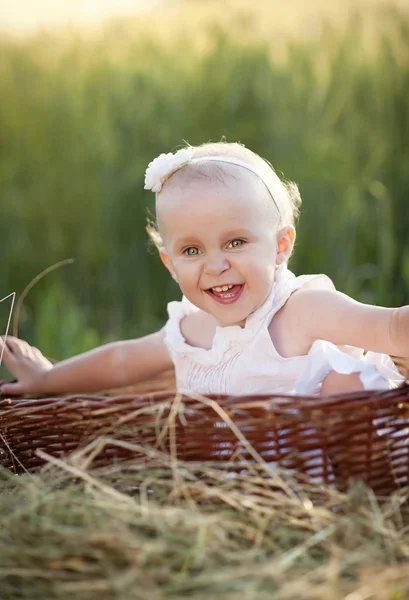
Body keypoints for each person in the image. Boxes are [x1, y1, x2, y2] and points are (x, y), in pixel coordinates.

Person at [0, 142, 407, 398]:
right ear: (171, 265)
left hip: (328, 468)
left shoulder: (303, 310)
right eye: (192, 250)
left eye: (236, 242)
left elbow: (391, 328)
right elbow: (122, 361)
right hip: (236, 488)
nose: (216, 265)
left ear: (281, 245)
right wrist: (47, 379)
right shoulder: (192, 330)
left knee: (347, 382)